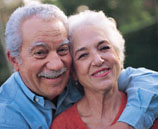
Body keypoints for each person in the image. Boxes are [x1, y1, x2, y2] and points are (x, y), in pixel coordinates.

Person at [0, 3, 158, 129]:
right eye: (40, 52)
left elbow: (150, 83)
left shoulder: (79, 78)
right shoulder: (6, 117)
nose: (56, 65)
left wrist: (127, 123)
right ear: (14, 60)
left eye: (62, 49)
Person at [51, 10, 158, 129]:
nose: (98, 60)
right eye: (83, 55)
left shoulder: (151, 110)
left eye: (104, 48)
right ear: (73, 73)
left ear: (117, 54)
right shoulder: (62, 125)